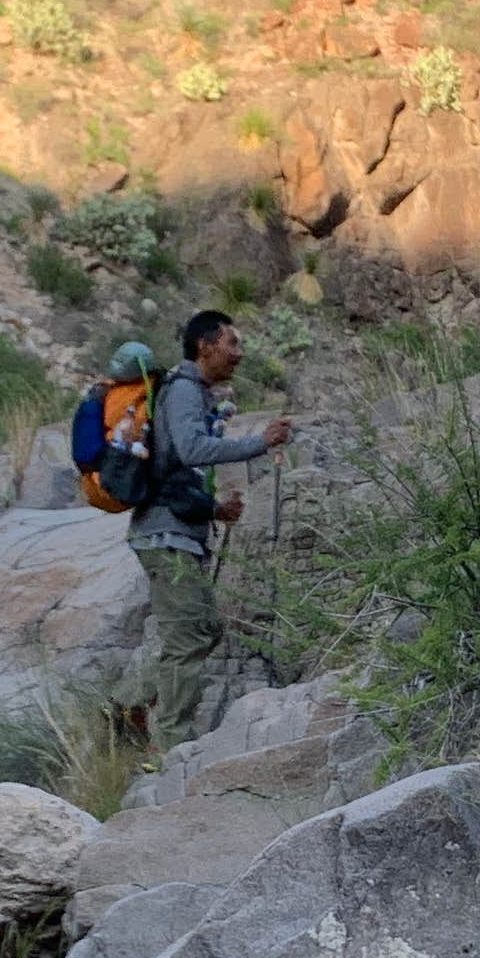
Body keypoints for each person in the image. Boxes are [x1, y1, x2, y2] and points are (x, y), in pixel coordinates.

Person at [127, 310, 290, 744]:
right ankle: (169, 744)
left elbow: (175, 469)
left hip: (173, 532)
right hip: (166, 536)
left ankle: (127, 706)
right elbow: (193, 450)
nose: (239, 353)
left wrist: (214, 510)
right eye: (232, 343)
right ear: (205, 346)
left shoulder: (192, 393)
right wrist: (261, 442)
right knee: (192, 635)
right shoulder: (183, 391)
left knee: (198, 630)